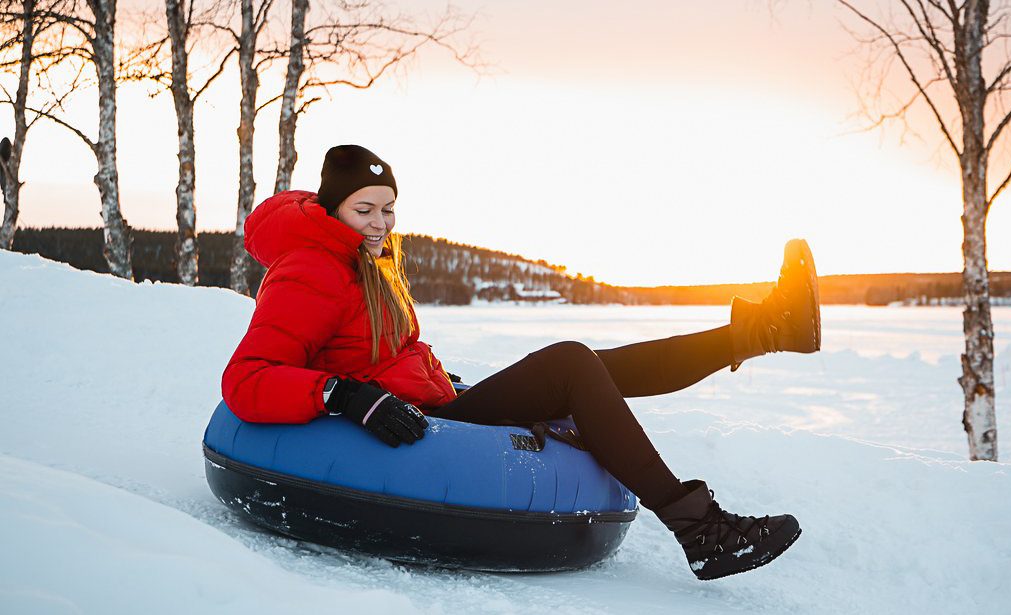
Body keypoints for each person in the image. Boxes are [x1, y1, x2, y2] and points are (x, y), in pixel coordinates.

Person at [222, 144, 820, 581]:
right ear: (333, 209)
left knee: (593, 367)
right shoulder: (309, 272)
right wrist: (345, 396)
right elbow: (247, 379)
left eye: (389, 209)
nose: (380, 224)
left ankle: (763, 331)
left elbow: (386, 351)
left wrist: (423, 378)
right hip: (407, 427)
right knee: (572, 364)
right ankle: (701, 529)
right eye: (365, 210)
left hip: (434, 408)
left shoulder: (363, 262)